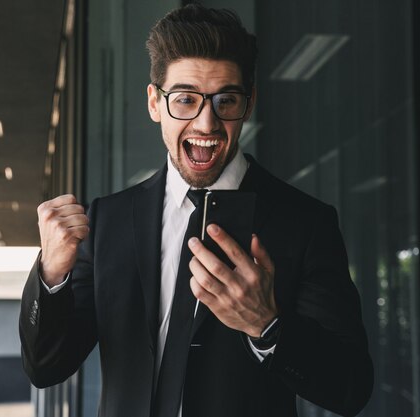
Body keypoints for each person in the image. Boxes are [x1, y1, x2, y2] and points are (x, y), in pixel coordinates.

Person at [19, 4, 373, 417]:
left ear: (249, 103)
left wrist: (267, 325)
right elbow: (45, 367)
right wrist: (51, 274)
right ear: (155, 103)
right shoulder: (107, 220)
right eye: (185, 100)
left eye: (226, 100)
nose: (206, 124)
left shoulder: (306, 223)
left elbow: (351, 388)